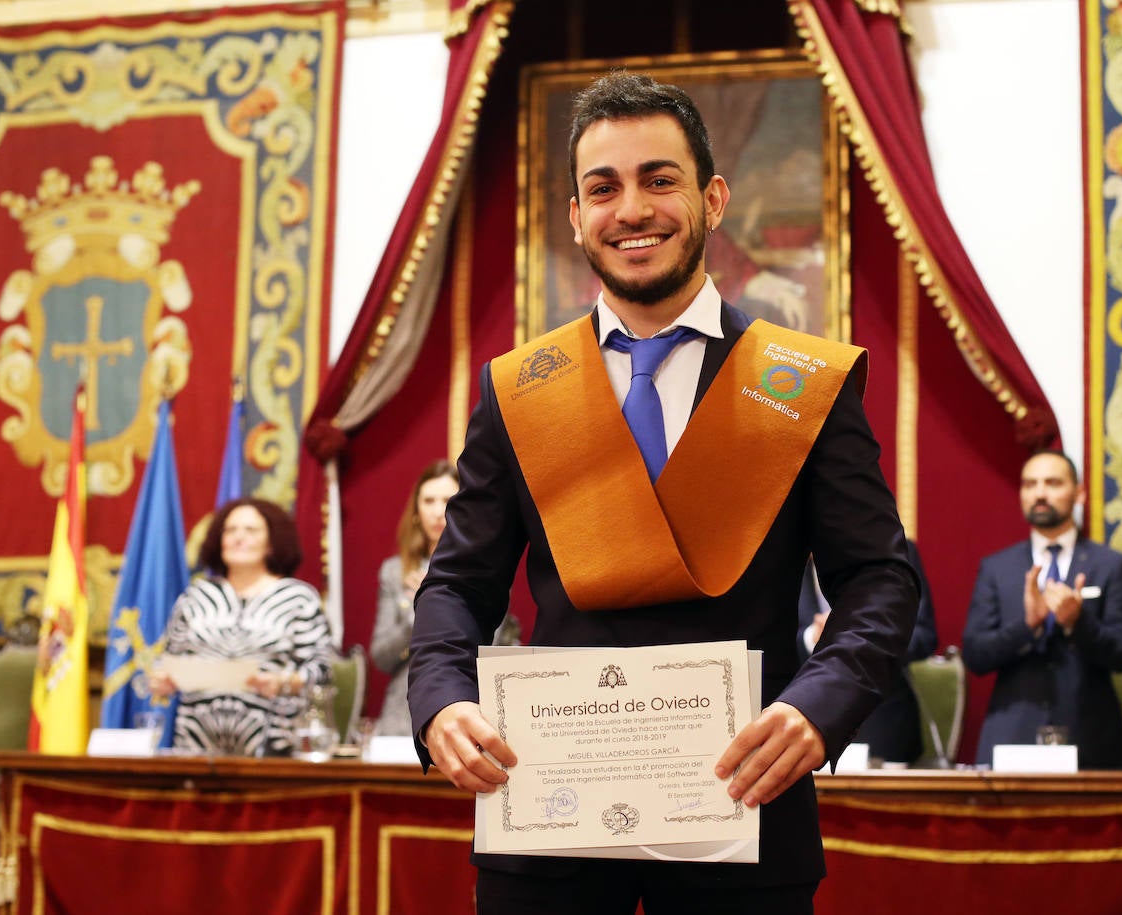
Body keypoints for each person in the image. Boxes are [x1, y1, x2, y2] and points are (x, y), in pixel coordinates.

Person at [406, 71, 918, 914]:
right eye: (603, 188)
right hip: (551, 823)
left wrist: (818, 708)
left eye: (660, 179)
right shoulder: (518, 388)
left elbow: (880, 582)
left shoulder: (804, 383)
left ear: (713, 198)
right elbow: (458, 584)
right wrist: (442, 700)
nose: (631, 208)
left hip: (743, 812)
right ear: (576, 216)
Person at [961, 450, 1122, 769]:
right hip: (1012, 734)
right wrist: (1028, 625)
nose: (1040, 493)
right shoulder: (997, 568)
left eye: (1053, 483)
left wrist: (1078, 622)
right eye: (1030, 484)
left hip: (1090, 738)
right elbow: (975, 655)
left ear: (1079, 492)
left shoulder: (1109, 565)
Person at [150, 497, 334, 756]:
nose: (239, 537)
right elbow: (169, 659)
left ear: (272, 542)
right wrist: (162, 679)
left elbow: (323, 670)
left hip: (274, 747)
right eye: (230, 530)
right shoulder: (197, 596)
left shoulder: (298, 599)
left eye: (251, 530)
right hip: (196, 747)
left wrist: (284, 682)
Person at [370, 460, 520, 737]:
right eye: (428, 501)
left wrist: (435, 604)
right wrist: (418, 613)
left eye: (447, 500)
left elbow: (486, 649)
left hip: (463, 712)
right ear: (416, 510)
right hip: (399, 720)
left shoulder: (486, 570)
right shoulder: (394, 572)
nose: (438, 512)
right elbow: (381, 657)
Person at [799, 539, 939, 763]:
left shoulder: (896, 549)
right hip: (807, 725)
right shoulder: (783, 561)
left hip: (884, 725)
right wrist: (811, 638)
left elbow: (923, 636)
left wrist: (854, 638)